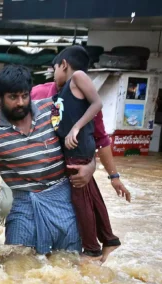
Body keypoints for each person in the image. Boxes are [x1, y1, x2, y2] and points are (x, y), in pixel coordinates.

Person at [0, 65, 84, 256]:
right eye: (13, 97)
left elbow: (87, 140)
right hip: (23, 203)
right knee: (17, 265)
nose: (20, 102)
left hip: (63, 201)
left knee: (68, 265)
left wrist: (91, 166)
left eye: (24, 95)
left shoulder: (52, 109)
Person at [51, 46, 122, 262]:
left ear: (64, 65)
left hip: (79, 151)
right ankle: (109, 240)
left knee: (80, 200)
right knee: (92, 196)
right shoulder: (62, 91)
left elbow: (97, 103)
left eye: (53, 68)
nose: (53, 74)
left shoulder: (78, 77)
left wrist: (76, 128)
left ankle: (91, 249)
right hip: (78, 152)